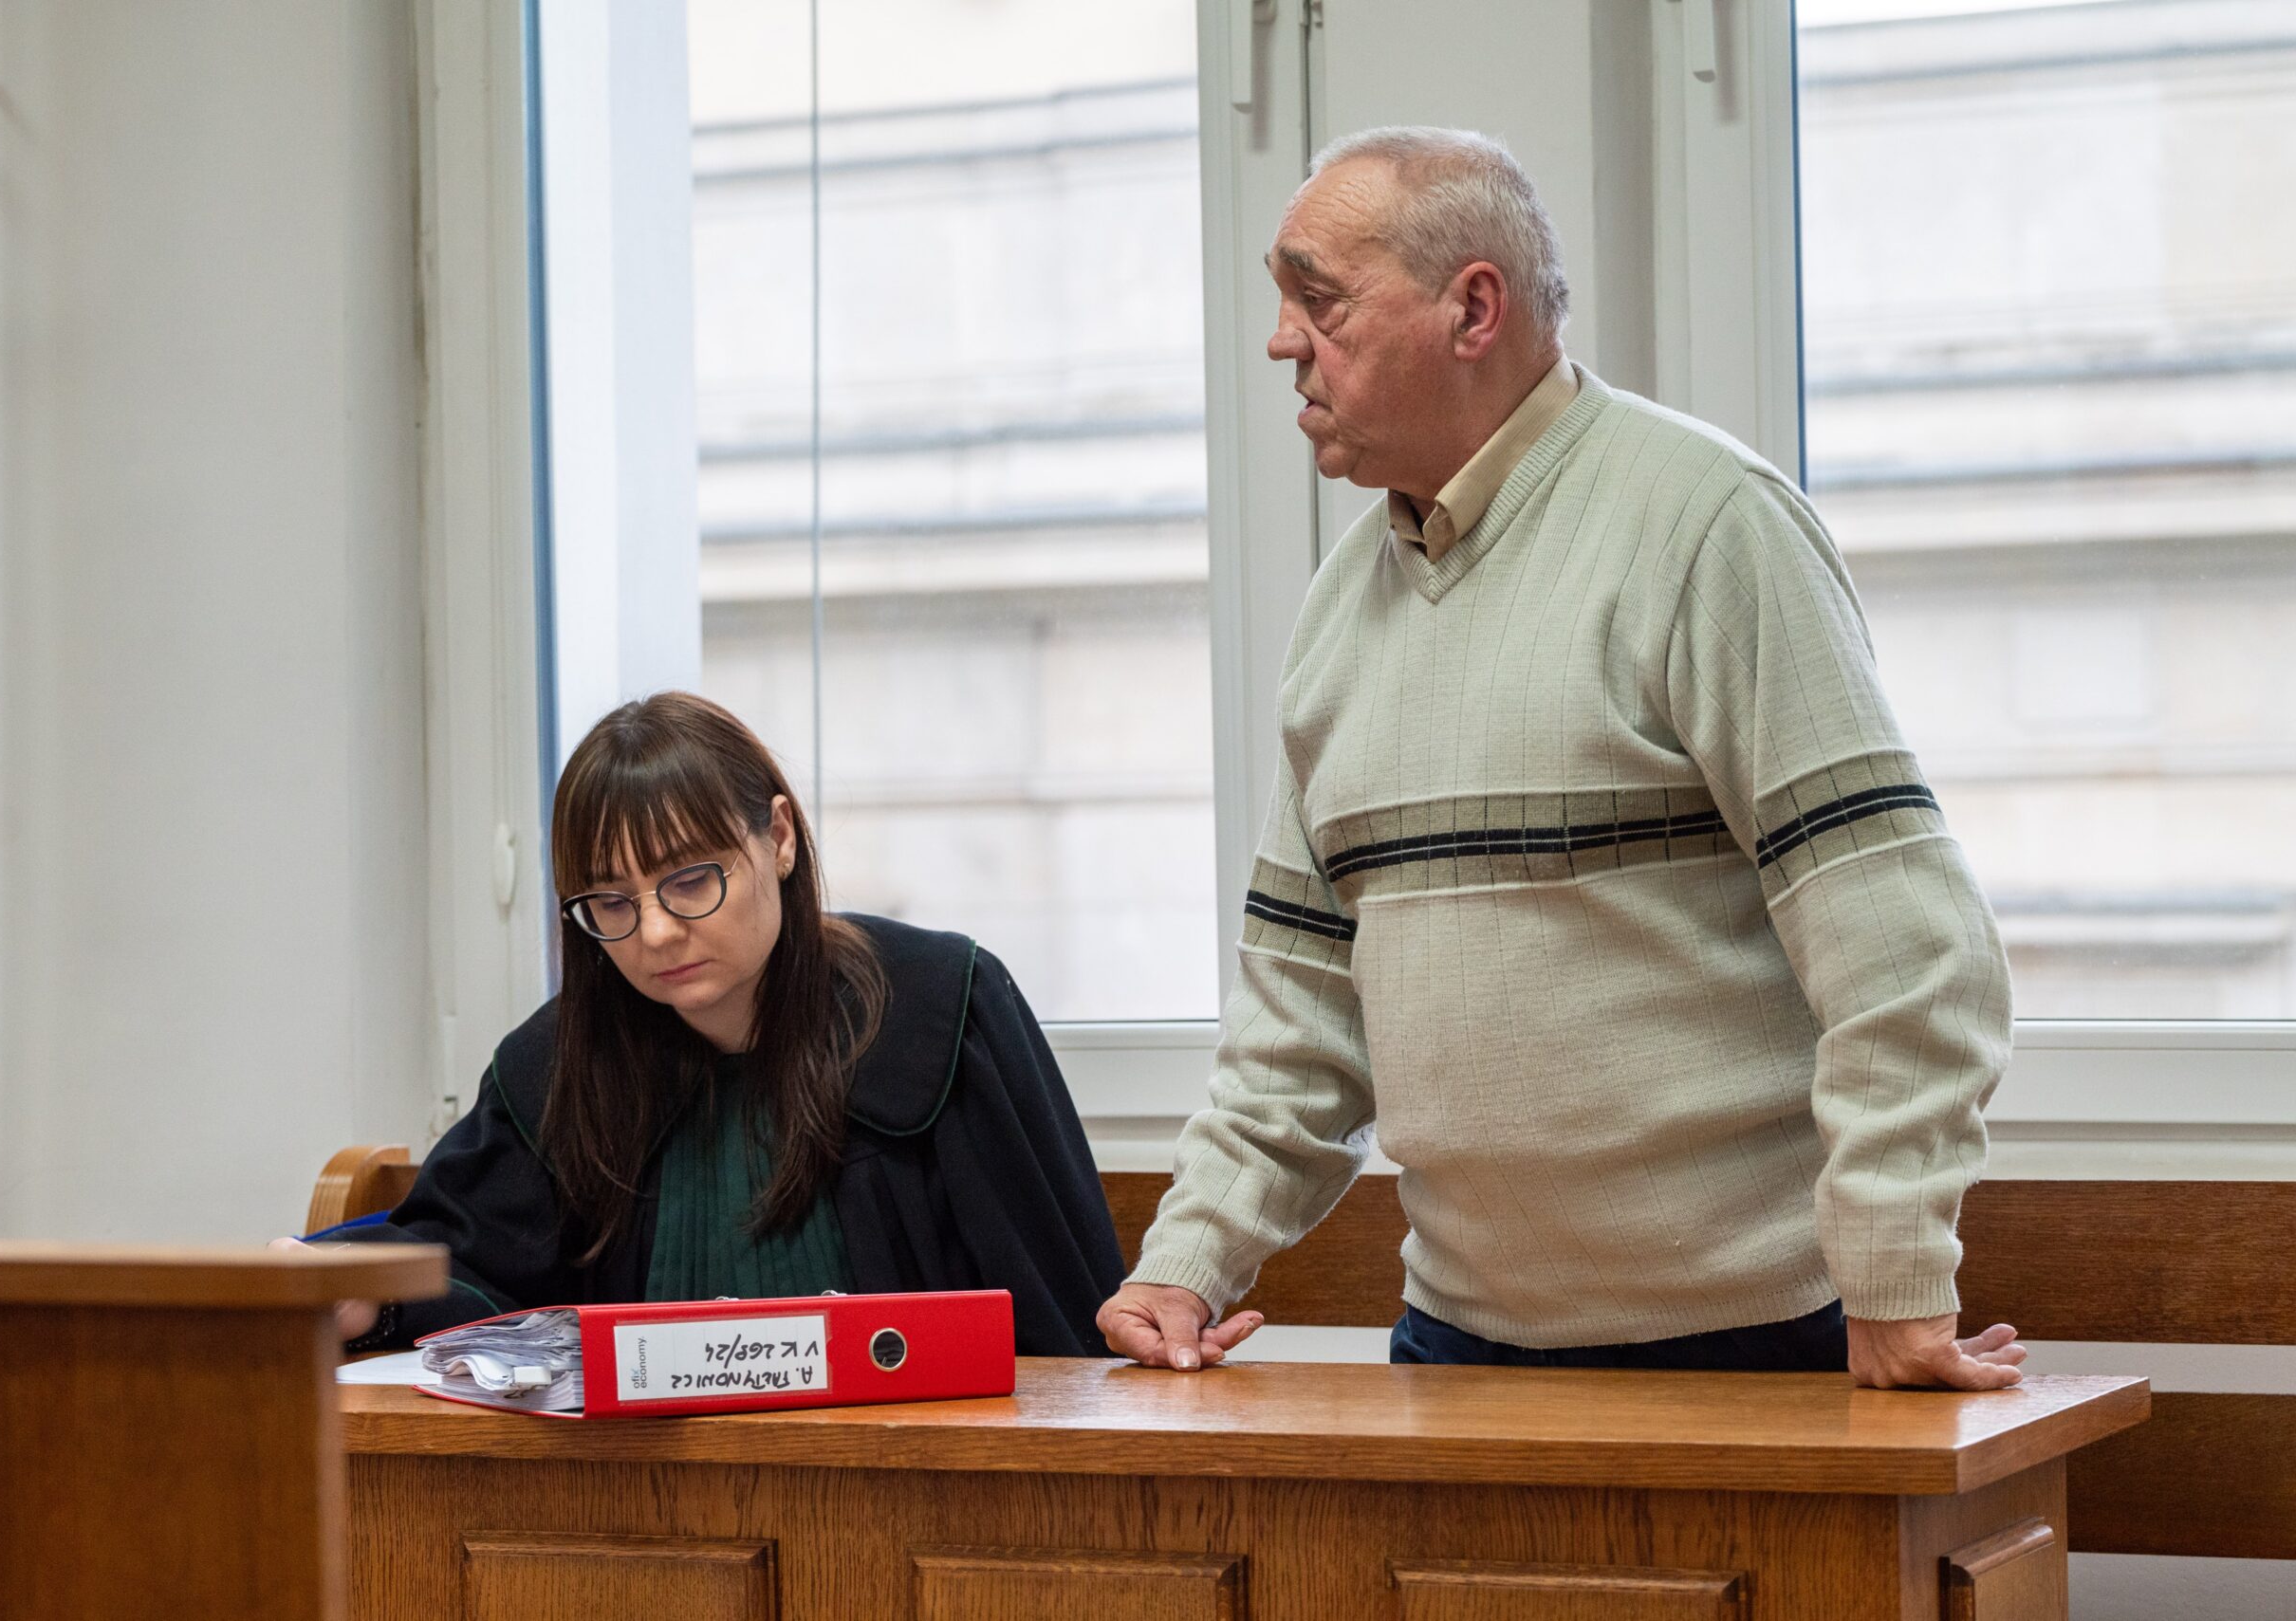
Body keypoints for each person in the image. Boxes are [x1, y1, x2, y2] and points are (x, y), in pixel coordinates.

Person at [1099, 127, 2027, 1391]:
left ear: (1472, 306)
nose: (1281, 342)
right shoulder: (1338, 612)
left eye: (1319, 300)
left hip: (1759, 1354)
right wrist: (1188, 1257)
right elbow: (1302, 1010)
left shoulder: (1708, 528)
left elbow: (1909, 951)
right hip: (1457, 1353)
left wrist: (1897, 1274)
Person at [298, 691, 1124, 1356]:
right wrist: (363, 1292)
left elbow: (1060, 1317)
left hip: (919, 1500)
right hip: (643, 1513)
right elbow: (467, 1262)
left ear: (779, 837)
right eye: (612, 903)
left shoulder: (939, 1010)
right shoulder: (553, 1067)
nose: (655, 932)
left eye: (690, 881)